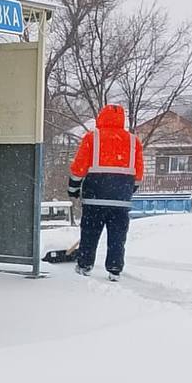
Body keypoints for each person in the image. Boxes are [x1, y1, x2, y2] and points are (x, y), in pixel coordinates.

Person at [67, 104, 143, 280]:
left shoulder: (92, 138)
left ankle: (85, 265)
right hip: (120, 201)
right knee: (117, 237)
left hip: (95, 198)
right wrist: (127, 190)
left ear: (101, 117)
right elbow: (138, 174)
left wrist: (73, 189)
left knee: (90, 234)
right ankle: (115, 269)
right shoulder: (133, 141)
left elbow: (79, 168)